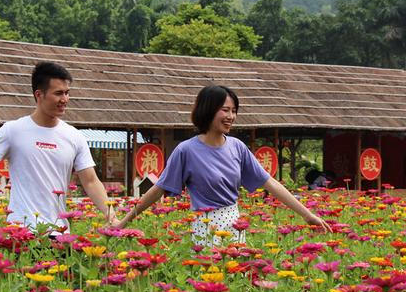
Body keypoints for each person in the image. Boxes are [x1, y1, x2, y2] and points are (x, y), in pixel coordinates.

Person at [116, 85, 330, 246]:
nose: (231, 116)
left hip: (234, 224)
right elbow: (158, 189)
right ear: (208, 110)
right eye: (225, 110)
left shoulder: (237, 147)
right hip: (204, 227)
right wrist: (124, 222)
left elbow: (271, 184)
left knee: (237, 283)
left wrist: (308, 215)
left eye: (234, 111)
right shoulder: (186, 150)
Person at [0, 62, 118, 234]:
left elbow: (91, 181)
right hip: (20, 231)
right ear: (39, 95)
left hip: (58, 232)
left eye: (67, 93)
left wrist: (110, 214)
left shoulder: (74, 136)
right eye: (58, 93)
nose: (65, 99)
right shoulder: (13, 130)